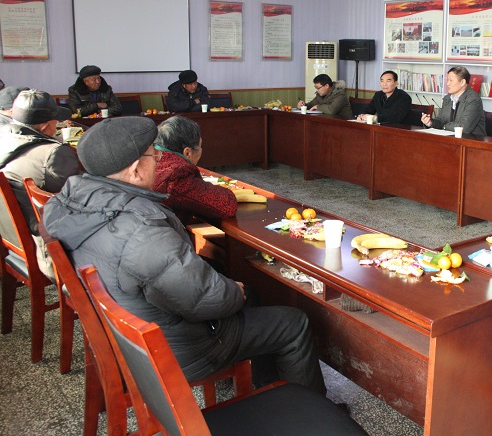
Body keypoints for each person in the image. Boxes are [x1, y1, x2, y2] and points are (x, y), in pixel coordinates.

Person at [42, 117, 326, 394]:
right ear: (136, 170)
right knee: (294, 323)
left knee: (245, 293)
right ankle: (309, 412)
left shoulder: (64, 203)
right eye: (153, 155)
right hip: (174, 348)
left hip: (128, 330)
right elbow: (206, 298)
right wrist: (234, 292)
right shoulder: (141, 228)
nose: (159, 160)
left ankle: (265, 386)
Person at [0, 90, 79, 279]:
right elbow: (79, 197)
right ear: (45, 126)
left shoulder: (3, 137)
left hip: (12, 238)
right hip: (47, 251)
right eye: (56, 122)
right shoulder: (53, 153)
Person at [152, 115, 237, 224]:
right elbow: (227, 205)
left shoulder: (147, 157)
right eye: (200, 146)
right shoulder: (177, 174)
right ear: (187, 152)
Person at [420, 66, 485, 136]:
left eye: (451, 80)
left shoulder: (473, 99)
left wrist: (444, 126)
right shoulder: (447, 98)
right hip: (450, 138)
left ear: (462, 82)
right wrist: (430, 122)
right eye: (447, 80)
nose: (448, 83)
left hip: (471, 140)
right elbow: (441, 121)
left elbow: (464, 128)